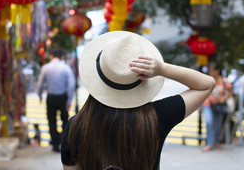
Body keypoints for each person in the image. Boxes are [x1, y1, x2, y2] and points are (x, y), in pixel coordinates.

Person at [60, 31, 215, 170]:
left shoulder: (76, 125)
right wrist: (162, 69)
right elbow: (206, 85)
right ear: (143, 78)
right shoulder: (157, 116)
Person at [37, 49, 76, 152]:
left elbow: (40, 83)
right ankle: (64, 142)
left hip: (51, 97)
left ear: (51, 56)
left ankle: (55, 143)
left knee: (52, 120)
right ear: (62, 57)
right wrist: (69, 101)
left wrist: (40, 95)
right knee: (64, 120)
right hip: (63, 97)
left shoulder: (46, 68)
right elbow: (71, 85)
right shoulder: (66, 68)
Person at [201, 61, 233, 152]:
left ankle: (215, 141)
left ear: (217, 71)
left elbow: (230, 92)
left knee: (217, 125)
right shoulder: (206, 80)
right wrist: (199, 107)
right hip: (207, 104)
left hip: (218, 106)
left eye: (213, 70)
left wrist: (224, 98)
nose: (211, 73)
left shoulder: (224, 81)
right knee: (209, 121)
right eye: (210, 71)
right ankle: (210, 143)